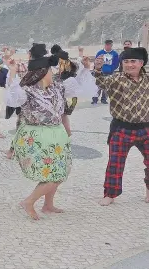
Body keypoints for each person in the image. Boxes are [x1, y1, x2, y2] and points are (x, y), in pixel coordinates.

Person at [5, 43, 95, 220]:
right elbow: (13, 97)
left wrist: (85, 69)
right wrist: (13, 72)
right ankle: (29, 201)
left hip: (57, 134)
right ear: (42, 72)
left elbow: (80, 86)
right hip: (38, 135)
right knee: (54, 173)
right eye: (50, 70)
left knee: (61, 172)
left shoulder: (58, 88)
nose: (53, 73)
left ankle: (48, 204)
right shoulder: (27, 92)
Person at [93, 47, 149, 206]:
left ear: (141, 63)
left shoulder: (148, 80)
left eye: (133, 61)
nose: (129, 64)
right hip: (121, 129)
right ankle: (110, 194)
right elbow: (100, 81)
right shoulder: (116, 79)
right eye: (126, 61)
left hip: (146, 128)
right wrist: (97, 68)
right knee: (115, 163)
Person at [50, 45, 97, 136]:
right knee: (64, 116)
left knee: (59, 116)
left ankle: (62, 136)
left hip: (62, 97)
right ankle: (67, 134)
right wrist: (81, 53)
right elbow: (81, 65)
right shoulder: (72, 64)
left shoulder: (57, 67)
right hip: (71, 99)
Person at [93, 40, 119, 104]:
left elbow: (116, 63)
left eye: (109, 45)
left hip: (109, 73)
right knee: (97, 86)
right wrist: (97, 69)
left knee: (107, 86)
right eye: (106, 44)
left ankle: (104, 99)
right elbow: (96, 62)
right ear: (105, 45)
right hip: (100, 72)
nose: (108, 46)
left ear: (111, 45)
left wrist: (111, 68)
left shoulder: (114, 54)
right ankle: (95, 99)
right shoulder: (100, 52)